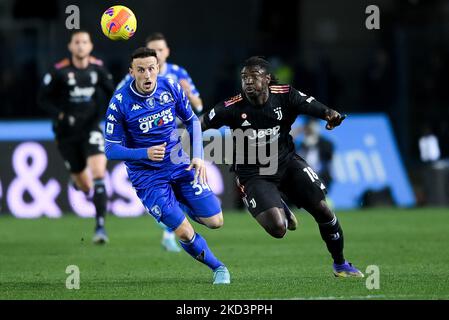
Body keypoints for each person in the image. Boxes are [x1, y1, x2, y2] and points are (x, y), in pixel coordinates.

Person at [201, 56, 363, 278]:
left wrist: (330, 114)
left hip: (286, 162)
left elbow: (313, 106)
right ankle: (277, 206)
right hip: (253, 173)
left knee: (322, 210)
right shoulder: (231, 107)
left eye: (254, 76)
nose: (248, 81)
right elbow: (199, 124)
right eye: (244, 77)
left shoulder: (285, 95)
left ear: (267, 79)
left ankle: (341, 264)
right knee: (278, 229)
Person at [104, 47, 230, 284]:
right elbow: (110, 149)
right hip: (148, 178)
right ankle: (218, 268)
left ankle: (180, 203)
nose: (147, 75)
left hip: (178, 164)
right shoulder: (119, 102)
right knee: (182, 230)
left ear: (158, 68)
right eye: (141, 70)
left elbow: (192, 120)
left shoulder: (170, 86)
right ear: (132, 72)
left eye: (151, 68)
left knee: (216, 221)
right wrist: (145, 153)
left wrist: (198, 155)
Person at [116, 33, 204, 252]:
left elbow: (198, 107)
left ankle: (170, 227)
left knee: (181, 182)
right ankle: (169, 225)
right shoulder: (133, 79)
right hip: (147, 140)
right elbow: (118, 104)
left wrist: (189, 95)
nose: (159, 54)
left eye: (161, 50)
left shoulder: (178, 74)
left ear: (166, 52)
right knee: (165, 185)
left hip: (175, 135)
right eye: (154, 50)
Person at [38, 30, 114, 244]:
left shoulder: (98, 69)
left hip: (90, 128)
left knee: (99, 173)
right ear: (70, 47)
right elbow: (42, 99)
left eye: (84, 42)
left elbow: (113, 94)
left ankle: (100, 227)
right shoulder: (59, 71)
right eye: (77, 42)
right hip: (66, 133)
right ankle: (79, 183)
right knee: (85, 186)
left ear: (90, 46)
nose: (81, 46)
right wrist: (60, 114)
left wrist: (103, 116)